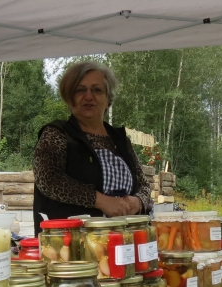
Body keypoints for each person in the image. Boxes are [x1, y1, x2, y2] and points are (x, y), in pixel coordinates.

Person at [32, 61, 152, 233]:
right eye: (80, 90)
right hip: (70, 242)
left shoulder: (119, 139)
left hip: (121, 239)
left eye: (97, 90)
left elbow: (144, 184)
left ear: (108, 99)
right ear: (69, 97)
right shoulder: (57, 133)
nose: (88, 96)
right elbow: (48, 179)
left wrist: (138, 202)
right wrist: (100, 200)